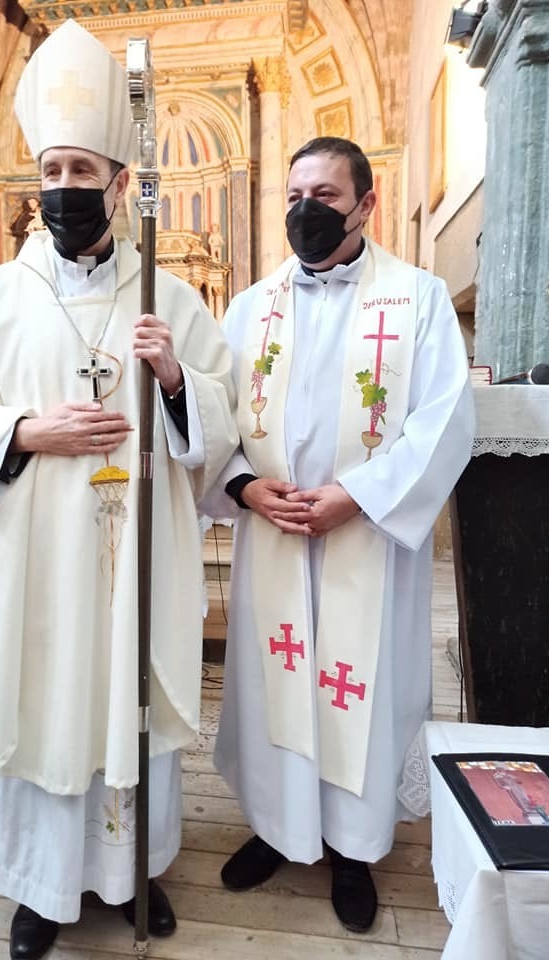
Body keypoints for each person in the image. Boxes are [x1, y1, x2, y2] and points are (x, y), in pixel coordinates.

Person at [0, 20, 237, 960]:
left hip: (137, 558)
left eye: (83, 172)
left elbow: (222, 424)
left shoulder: (168, 298)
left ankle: (138, 874)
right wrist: (22, 431)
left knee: (128, 697)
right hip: (38, 563)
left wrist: (175, 379)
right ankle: (41, 893)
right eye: (50, 170)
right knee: (42, 705)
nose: (64, 190)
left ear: (120, 183)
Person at [202, 136, 475, 933]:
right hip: (276, 537)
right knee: (275, 682)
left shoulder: (417, 298)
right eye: (294, 195)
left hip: (370, 540)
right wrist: (247, 489)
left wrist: (356, 497)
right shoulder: (252, 306)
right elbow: (216, 420)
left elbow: (443, 422)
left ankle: (353, 846)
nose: (304, 211)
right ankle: (278, 829)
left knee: (361, 687)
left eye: (323, 195)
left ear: (366, 203)